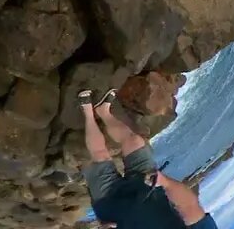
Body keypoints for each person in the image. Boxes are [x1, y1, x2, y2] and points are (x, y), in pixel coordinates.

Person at [79, 89, 218, 229]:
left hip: (112, 205)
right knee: (134, 141)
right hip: (148, 187)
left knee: (100, 156)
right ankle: (104, 111)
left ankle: (88, 113)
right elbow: (189, 206)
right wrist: (165, 182)